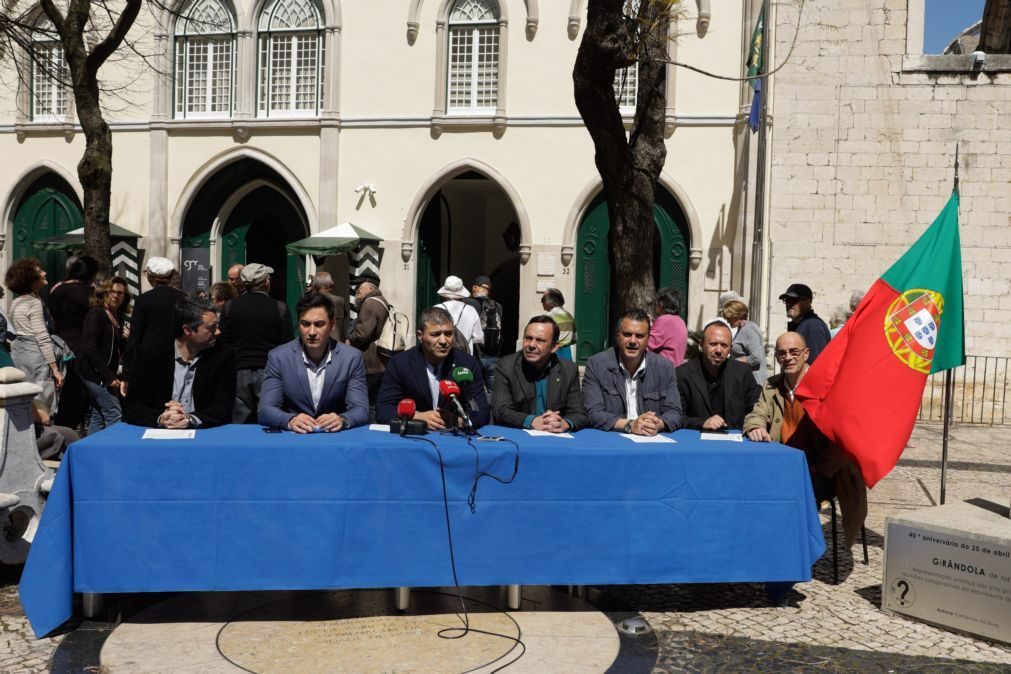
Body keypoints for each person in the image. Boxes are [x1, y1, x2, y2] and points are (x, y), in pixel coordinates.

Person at [743, 332, 867, 548]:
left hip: (824, 471)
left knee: (792, 495)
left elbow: (845, 438)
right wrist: (755, 425)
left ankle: (796, 549)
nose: (788, 357)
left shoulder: (827, 387)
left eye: (794, 352)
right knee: (750, 487)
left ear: (806, 353)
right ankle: (761, 547)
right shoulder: (772, 386)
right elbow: (758, 412)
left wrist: (820, 468)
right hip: (784, 466)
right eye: (782, 353)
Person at [258, 292, 368, 432]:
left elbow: (361, 409)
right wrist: (290, 420)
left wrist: (343, 419)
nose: (311, 332)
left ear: (332, 325)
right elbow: (266, 410)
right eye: (305, 324)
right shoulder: (279, 357)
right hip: (295, 439)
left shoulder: (351, 358)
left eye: (319, 324)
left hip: (335, 439)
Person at [124, 296, 236, 428]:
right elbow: (133, 407)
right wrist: (162, 418)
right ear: (188, 330)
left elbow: (224, 408)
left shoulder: (223, 356)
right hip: (158, 437)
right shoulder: (149, 355)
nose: (218, 332)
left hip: (204, 435)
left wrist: (190, 419)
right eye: (211, 328)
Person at [376, 306, 490, 430]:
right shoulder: (400, 363)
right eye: (435, 334)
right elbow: (383, 410)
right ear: (420, 335)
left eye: (448, 334)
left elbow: (482, 412)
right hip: (414, 438)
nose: (443, 340)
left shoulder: (467, 363)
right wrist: (416, 416)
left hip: (454, 438)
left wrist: (460, 421)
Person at [581, 308, 681, 435]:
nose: (633, 341)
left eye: (639, 336)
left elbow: (675, 412)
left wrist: (655, 424)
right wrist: (630, 425)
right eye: (627, 334)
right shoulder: (596, 365)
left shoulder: (665, 368)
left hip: (652, 440)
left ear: (648, 339)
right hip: (613, 440)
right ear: (618, 335)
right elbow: (593, 413)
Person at [221, 263, 293, 423]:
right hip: (269, 370)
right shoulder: (279, 308)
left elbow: (224, 341)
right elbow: (286, 343)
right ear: (266, 282)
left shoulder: (230, 307)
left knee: (239, 419)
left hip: (238, 368)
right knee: (269, 418)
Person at [492, 315, 586, 432]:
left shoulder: (568, 369)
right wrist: (531, 421)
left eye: (540, 340)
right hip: (519, 435)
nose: (531, 345)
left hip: (556, 438)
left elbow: (578, 413)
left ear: (554, 347)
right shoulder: (506, 366)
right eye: (528, 338)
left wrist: (564, 423)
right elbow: (500, 410)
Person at [675, 321, 761, 431]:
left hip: (735, 442)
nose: (719, 350)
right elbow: (676, 416)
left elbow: (756, 409)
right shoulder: (682, 374)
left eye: (724, 345)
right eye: (713, 344)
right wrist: (702, 422)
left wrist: (755, 427)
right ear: (701, 345)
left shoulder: (742, 372)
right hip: (697, 441)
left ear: (730, 348)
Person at [5, 258, 64, 409]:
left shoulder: (16, 302)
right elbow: (42, 336)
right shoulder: (34, 303)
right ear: (30, 279)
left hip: (20, 355)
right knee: (41, 403)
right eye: (39, 271)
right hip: (36, 357)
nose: (44, 272)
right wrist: (55, 369)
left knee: (25, 401)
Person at [47, 255, 98, 429]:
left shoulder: (57, 290)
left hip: (60, 345)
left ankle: (61, 427)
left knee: (66, 393)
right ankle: (69, 429)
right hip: (80, 346)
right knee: (79, 394)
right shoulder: (89, 293)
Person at [78, 276, 130, 434]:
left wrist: (127, 338)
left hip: (105, 373)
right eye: (112, 291)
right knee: (114, 412)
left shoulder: (119, 318)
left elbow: (119, 349)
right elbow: (89, 347)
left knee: (98, 415)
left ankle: (90, 453)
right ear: (104, 293)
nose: (115, 296)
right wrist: (108, 376)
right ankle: (114, 452)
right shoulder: (96, 314)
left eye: (120, 293)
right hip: (92, 372)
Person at [123, 256, 187, 381]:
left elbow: (135, 338)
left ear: (149, 277)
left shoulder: (143, 300)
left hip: (148, 361)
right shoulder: (183, 298)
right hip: (177, 359)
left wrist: (127, 372)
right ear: (170, 276)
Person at [347, 270, 388, 413]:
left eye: (359, 285)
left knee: (369, 405)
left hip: (370, 363)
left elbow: (362, 334)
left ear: (371, 288)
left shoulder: (370, 303)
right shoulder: (380, 301)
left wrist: (348, 340)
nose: (356, 289)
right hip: (379, 362)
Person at [464, 275, 503, 394]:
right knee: (492, 390)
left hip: (476, 353)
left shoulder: (468, 303)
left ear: (474, 288)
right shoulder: (498, 306)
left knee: (475, 390)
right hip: (493, 352)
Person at [779, 283, 831, 363]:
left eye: (794, 300)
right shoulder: (799, 324)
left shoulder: (813, 325)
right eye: (787, 300)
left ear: (808, 302)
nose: (789, 304)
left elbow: (815, 363)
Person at [720, 299, 768, 385]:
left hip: (754, 382)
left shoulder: (749, 330)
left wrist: (733, 363)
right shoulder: (743, 328)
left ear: (736, 315)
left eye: (729, 318)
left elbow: (756, 358)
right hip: (746, 380)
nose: (727, 321)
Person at [434, 275, 483, 355]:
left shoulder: (436, 309)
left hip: (442, 356)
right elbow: (479, 337)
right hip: (465, 356)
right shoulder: (471, 310)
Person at [648, 287, 688, 368]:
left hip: (662, 371)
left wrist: (645, 326)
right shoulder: (680, 321)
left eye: (657, 302)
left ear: (661, 304)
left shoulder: (664, 320)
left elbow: (647, 344)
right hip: (676, 369)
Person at [540, 288, 576, 360]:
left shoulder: (549, 317)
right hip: (567, 354)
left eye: (542, 299)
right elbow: (574, 339)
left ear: (549, 301)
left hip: (552, 355)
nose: (541, 302)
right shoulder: (569, 316)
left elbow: (542, 338)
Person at [311, 271, 346, 343]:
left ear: (314, 286)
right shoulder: (339, 301)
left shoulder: (310, 301)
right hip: (337, 343)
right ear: (331, 285)